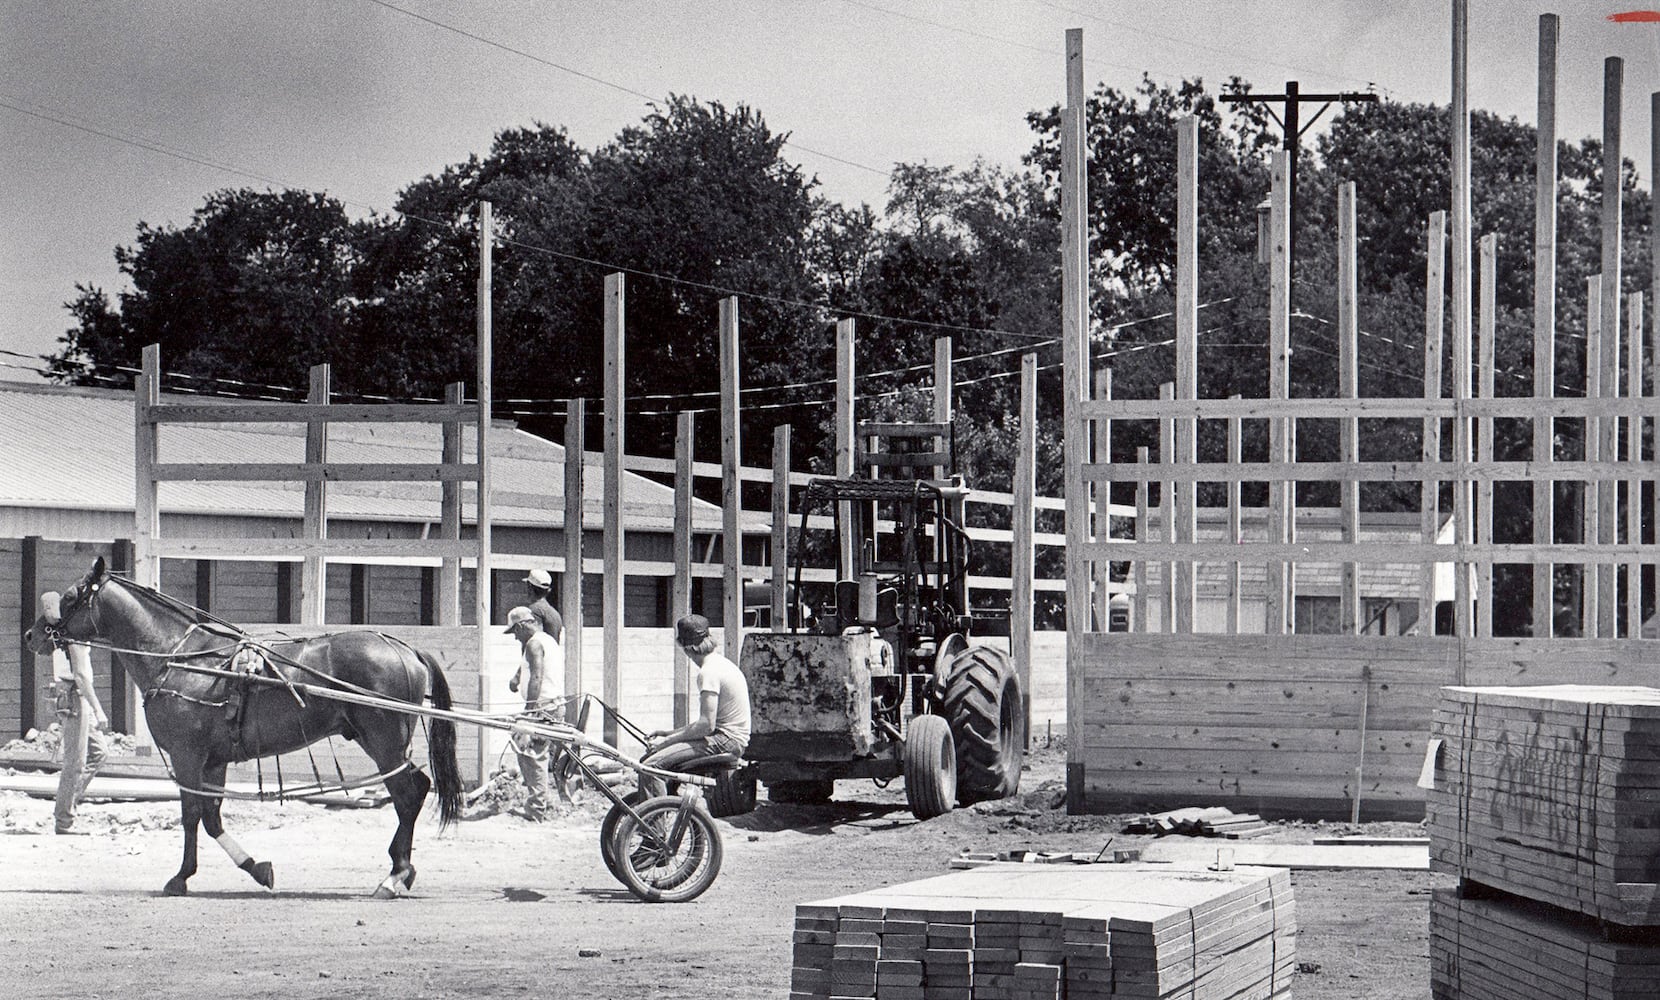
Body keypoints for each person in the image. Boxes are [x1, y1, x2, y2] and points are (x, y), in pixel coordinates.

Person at [639, 614, 750, 799]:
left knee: (650, 766)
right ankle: (676, 812)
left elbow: (706, 726)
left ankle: (653, 827)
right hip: (730, 739)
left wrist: (665, 743)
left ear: (685, 647)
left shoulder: (708, 672)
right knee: (662, 764)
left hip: (726, 741)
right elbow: (705, 725)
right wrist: (669, 734)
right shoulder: (721, 664)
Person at [47, 592, 109, 834]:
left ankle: (66, 805)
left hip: (73, 696)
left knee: (99, 753)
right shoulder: (74, 635)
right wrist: (99, 710)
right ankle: (64, 820)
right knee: (75, 762)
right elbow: (82, 677)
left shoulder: (65, 631)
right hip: (74, 696)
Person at [504, 605, 563, 821]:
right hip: (552, 705)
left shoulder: (534, 644)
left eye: (515, 632)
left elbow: (537, 677)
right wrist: (517, 678)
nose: (515, 637)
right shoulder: (547, 641)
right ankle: (541, 801)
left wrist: (529, 712)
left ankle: (536, 808)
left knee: (531, 754)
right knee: (533, 752)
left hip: (543, 708)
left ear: (522, 626)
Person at [523, 569, 564, 643]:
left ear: (530, 587)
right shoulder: (554, 613)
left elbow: (533, 642)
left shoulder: (534, 610)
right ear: (548, 590)